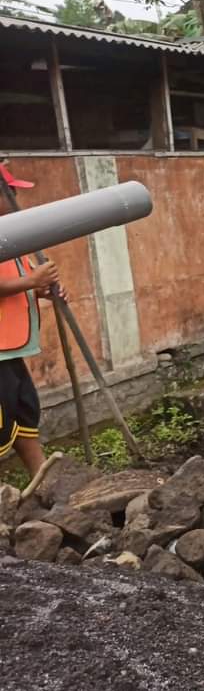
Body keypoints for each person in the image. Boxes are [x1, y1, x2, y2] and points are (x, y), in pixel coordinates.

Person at [0, 173, 65, 477]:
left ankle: (42, 480)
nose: (16, 200)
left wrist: (41, 288)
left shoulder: (14, 238)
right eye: (10, 192)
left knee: (25, 409)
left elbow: (22, 281)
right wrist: (30, 280)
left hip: (10, 347)